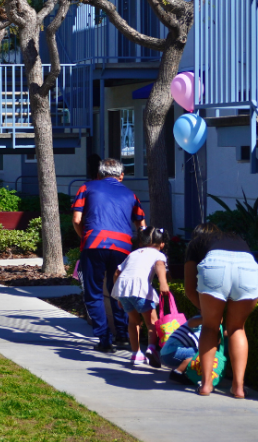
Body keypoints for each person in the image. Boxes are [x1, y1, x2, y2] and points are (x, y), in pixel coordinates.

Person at [72, 157, 147, 353]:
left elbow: (77, 219)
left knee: (93, 292)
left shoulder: (86, 188)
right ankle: (122, 335)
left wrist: (85, 238)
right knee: (119, 291)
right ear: (121, 176)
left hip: (93, 242)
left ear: (99, 174)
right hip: (122, 246)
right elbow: (142, 225)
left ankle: (104, 338)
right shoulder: (132, 195)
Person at [187, 229, 258, 398]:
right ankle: (238, 388)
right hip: (248, 266)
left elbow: (189, 289)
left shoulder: (195, 243)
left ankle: (205, 385)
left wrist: (208, 313)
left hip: (215, 266)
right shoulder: (237, 237)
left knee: (210, 327)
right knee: (237, 328)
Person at [112, 227, 170, 367]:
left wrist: (120, 296)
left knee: (133, 321)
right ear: (162, 243)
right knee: (152, 322)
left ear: (141, 242)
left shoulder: (133, 254)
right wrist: (163, 283)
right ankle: (151, 349)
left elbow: (116, 273)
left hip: (123, 288)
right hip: (140, 288)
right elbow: (159, 265)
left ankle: (136, 353)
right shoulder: (158, 255)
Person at [161, 315, 203, 386]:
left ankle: (182, 372)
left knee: (200, 351)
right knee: (202, 352)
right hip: (171, 352)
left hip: (168, 353)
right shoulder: (198, 320)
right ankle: (177, 372)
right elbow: (191, 323)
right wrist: (207, 318)